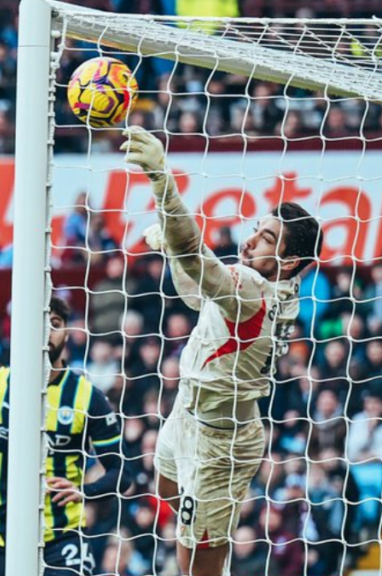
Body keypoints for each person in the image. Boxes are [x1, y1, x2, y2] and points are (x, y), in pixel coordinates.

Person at [122, 126, 321, 576]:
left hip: (220, 439)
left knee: (199, 559)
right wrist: (172, 250)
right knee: (170, 496)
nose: (250, 240)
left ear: (288, 262)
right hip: (189, 415)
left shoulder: (253, 289)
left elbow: (196, 255)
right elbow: (196, 293)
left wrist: (161, 177)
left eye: (267, 239)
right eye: (256, 230)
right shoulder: (263, 288)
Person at [0, 296, 132, 576]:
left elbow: (122, 473)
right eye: (38, 323)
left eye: (54, 324)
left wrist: (85, 492)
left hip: (63, 536)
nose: (45, 331)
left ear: (67, 332)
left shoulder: (87, 396)